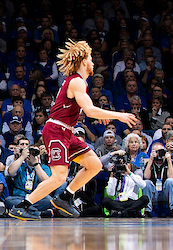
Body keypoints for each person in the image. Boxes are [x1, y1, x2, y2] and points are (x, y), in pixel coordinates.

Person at [8, 39, 140, 220]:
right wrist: (119, 115)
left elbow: (90, 109)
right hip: (56, 130)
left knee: (94, 165)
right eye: (91, 59)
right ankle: (21, 207)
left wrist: (103, 114)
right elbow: (90, 110)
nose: (93, 62)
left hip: (66, 131)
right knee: (59, 177)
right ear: (84, 61)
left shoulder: (77, 81)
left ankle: (65, 197)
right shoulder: (77, 81)